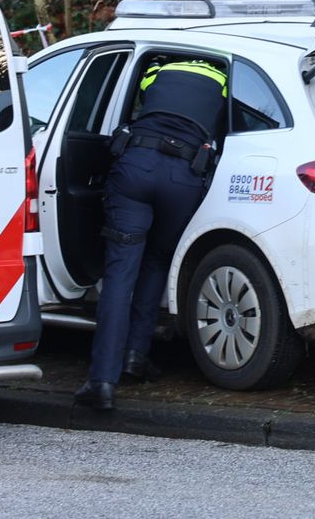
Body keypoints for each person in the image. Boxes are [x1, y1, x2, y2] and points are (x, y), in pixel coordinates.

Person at [74, 58, 227, 410]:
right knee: (157, 261)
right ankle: (136, 356)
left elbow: (141, 98)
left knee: (119, 274)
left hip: (137, 167)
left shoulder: (157, 72)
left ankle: (102, 381)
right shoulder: (222, 77)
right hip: (183, 176)